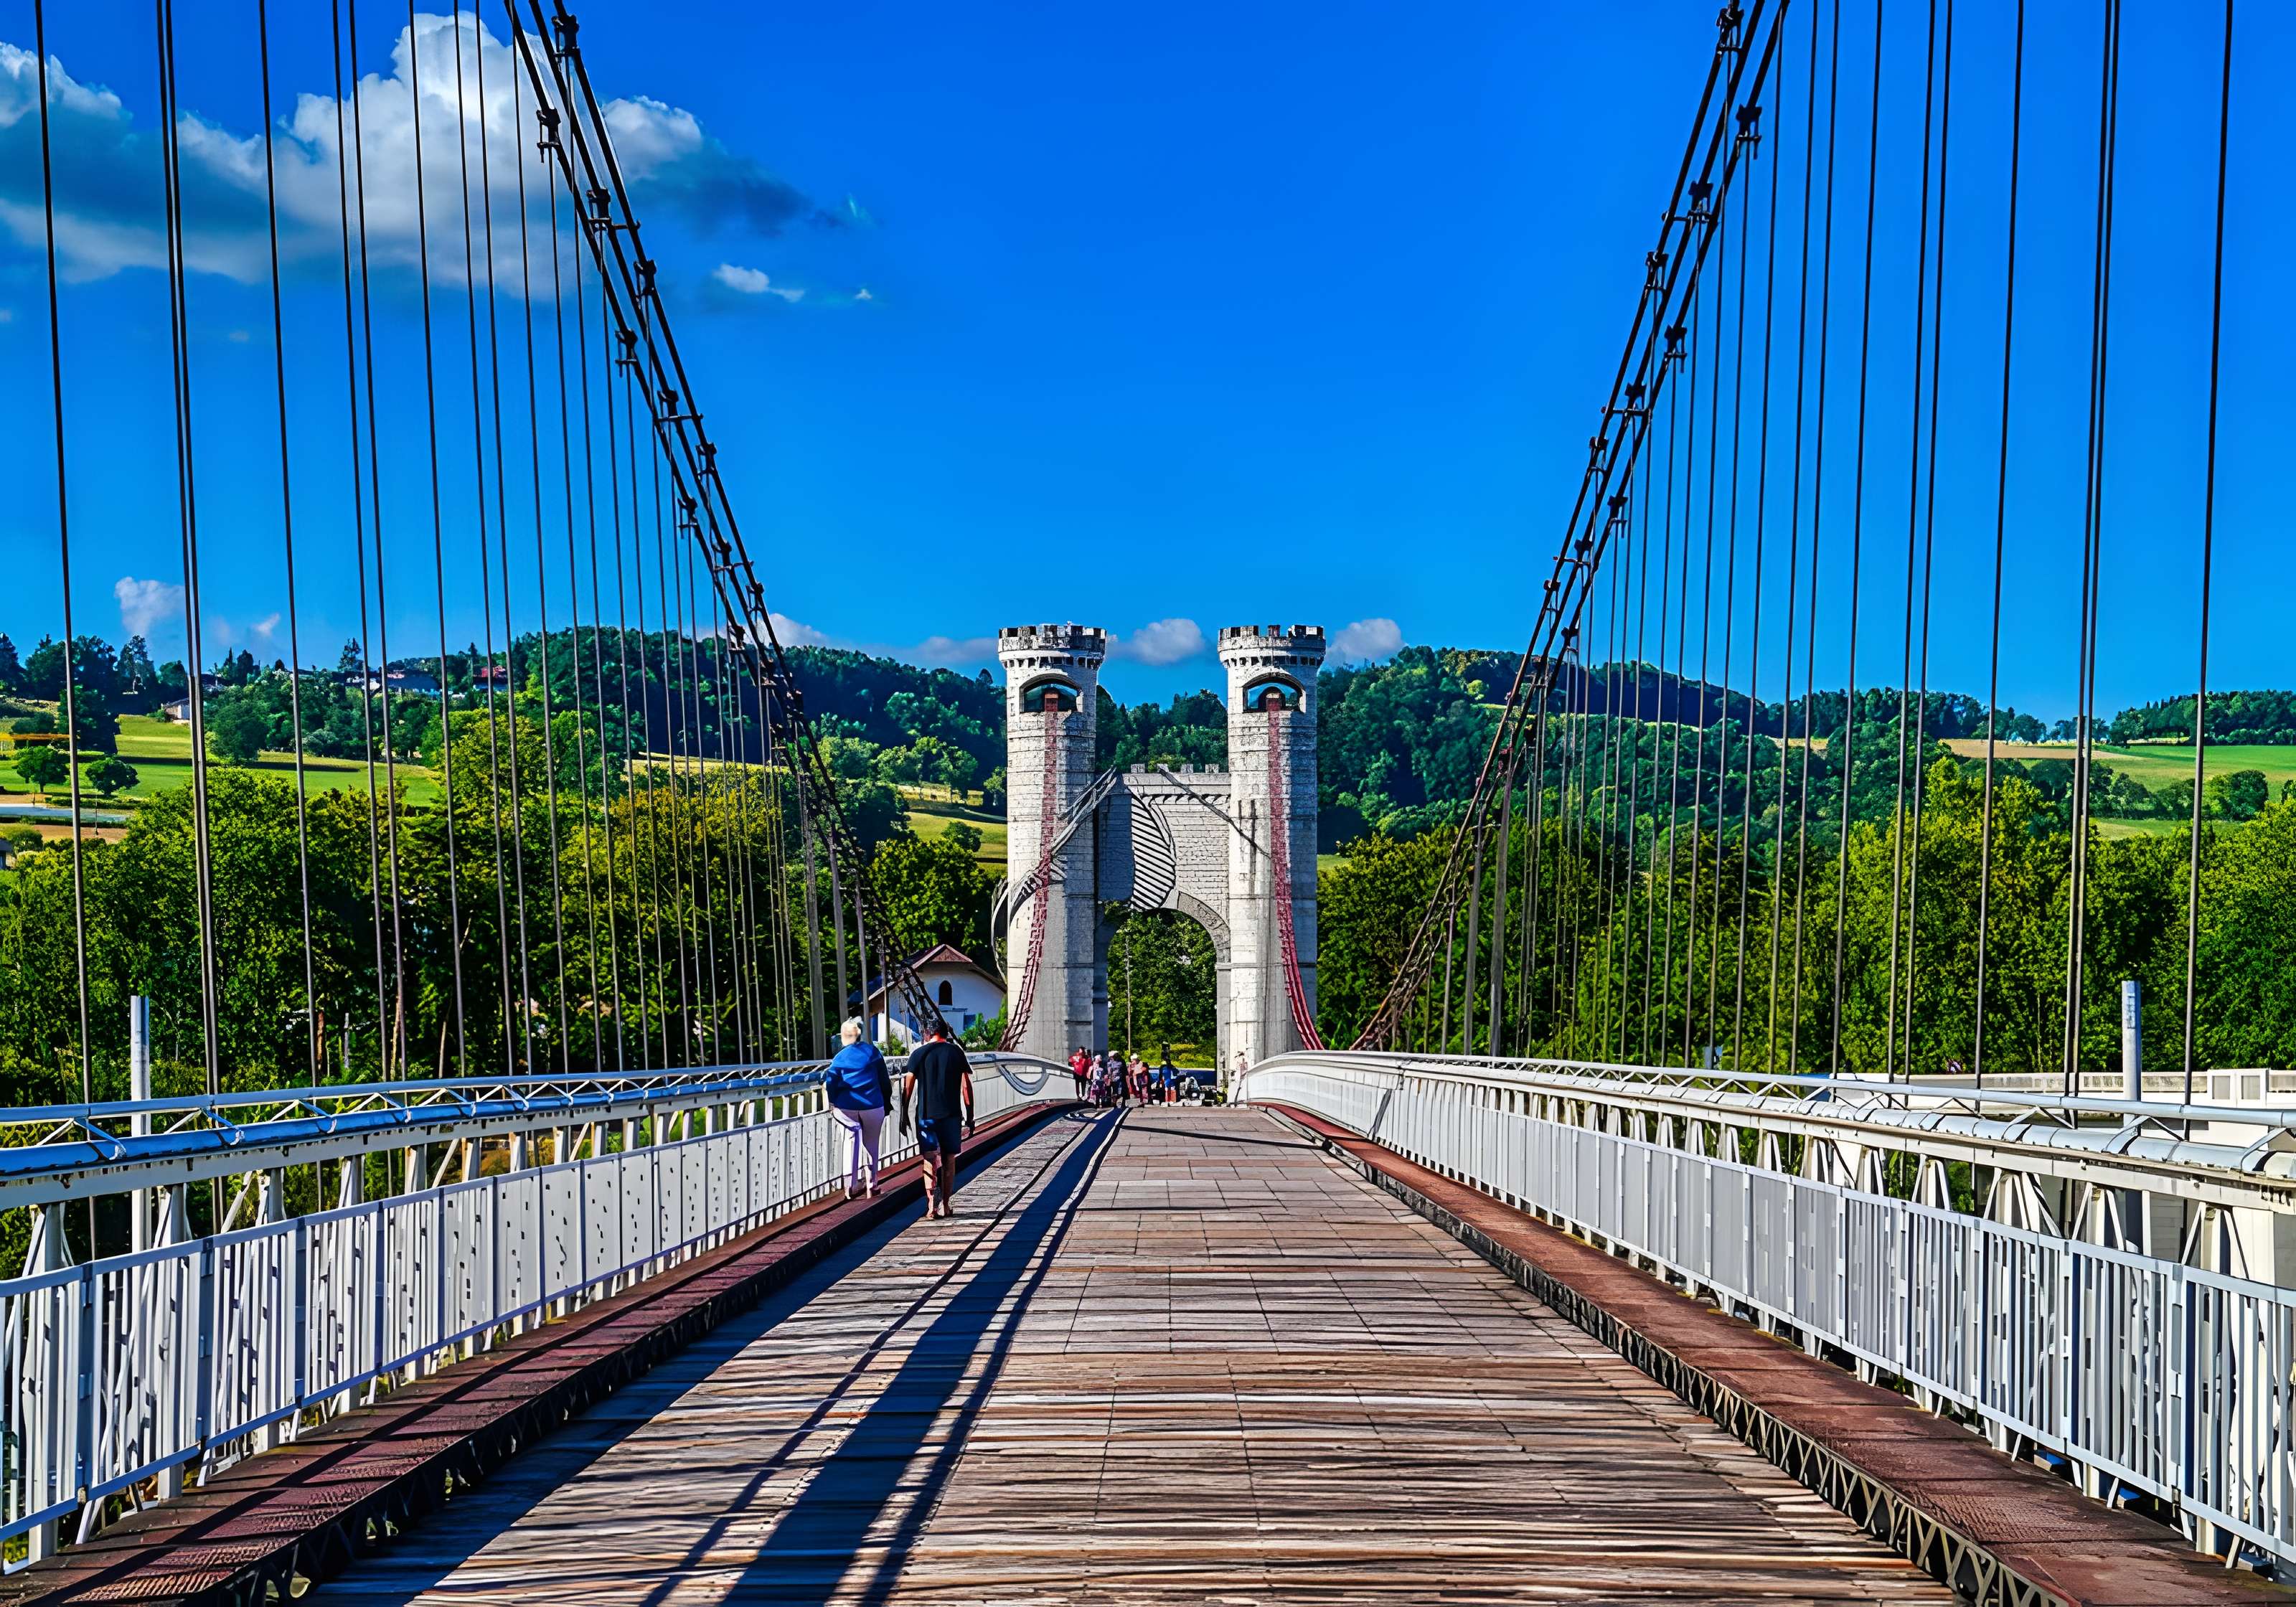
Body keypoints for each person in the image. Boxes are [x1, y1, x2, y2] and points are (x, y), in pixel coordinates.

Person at [902, 1016, 974, 1220]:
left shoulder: (918, 1054)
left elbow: (908, 1087)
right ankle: (946, 1205)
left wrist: (904, 1113)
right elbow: (966, 1086)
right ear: (946, 1033)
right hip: (951, 1115)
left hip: (926, 1115)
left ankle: (931, 1206)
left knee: (929, 1158)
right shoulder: (956, 1053)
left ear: (927, 1033)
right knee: (949, 1159)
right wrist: (970, 1116)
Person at [826, 1017, 892, 1200]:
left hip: (846, 1106)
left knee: (850, 1141)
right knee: (871, 1144)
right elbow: (885, 1081)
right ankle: (872, 1185)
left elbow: (831, 1082)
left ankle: (850, 1186)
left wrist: (832, 1102)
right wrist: (886, 1102)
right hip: (873, 1105)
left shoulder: (839, 1058)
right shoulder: (872, 1052)